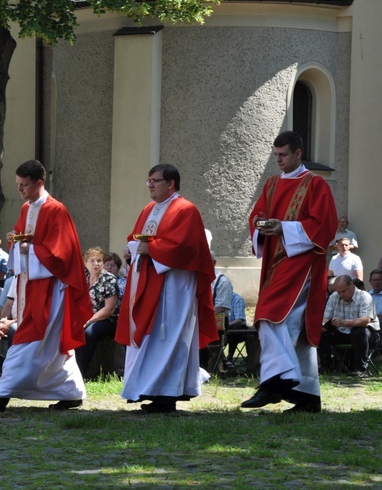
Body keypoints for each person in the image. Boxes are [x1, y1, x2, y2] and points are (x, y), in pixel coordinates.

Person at [0, 160, 92, 412]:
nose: (19, 190)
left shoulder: (56, 210)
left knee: (32, 339)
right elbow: (22, 243)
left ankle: (2, 394)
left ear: (39, 183)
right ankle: (71, 391)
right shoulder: (26, 208)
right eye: (17, 184)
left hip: (52, 288)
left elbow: (61, 254)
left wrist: (29, 248)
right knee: (52, 345)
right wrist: (15, 242)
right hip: (31, 285)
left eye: (24, 185)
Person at [240, 130, 337, 414]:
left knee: (268, 314)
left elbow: (325, 225)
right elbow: (256, 214)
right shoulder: (271, 184)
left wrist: (284, 228)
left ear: (298, 153)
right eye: (276, 156)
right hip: (276, 262)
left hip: (302, 262)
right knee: (296, 329)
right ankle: (307, 397)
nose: (279, 160)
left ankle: (276, 381)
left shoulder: (316, 184)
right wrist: (261, 225)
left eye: (284, 155)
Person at [115, 163, 217, 414]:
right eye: (148, 180)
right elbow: (136, 238)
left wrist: (152, 249)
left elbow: (187, 249)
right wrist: (131, 250)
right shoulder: (149, 209)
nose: (150, 185)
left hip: (175, 288)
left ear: (170, 184)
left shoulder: (186, 210)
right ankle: (149, 389)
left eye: (155, 180)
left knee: (168, 336)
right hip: (149, 283)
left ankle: (167, 394)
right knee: (151, 338)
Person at [320, 275, 380, 377]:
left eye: (343, 291)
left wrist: (344, 322)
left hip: (366, 335)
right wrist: (322, 326)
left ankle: (360, 368)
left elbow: (365, 321)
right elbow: (326, 318)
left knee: (359, 331)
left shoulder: (364, 297)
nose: (341, 295)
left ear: (352, 285)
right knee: (321, 333)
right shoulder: (334, 297)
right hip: (342, 333)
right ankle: (326, 367)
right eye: (338, 292)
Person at [75, 247, 119, 376]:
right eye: (92, 261)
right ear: (85, 263)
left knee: (89, 332)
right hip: (86, 317)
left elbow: (109, 309)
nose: (96, 264)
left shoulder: (109, 279)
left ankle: (81, 373)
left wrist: (89, 320)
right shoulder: (84, 277)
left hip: (107, 320)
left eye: (99, 261)